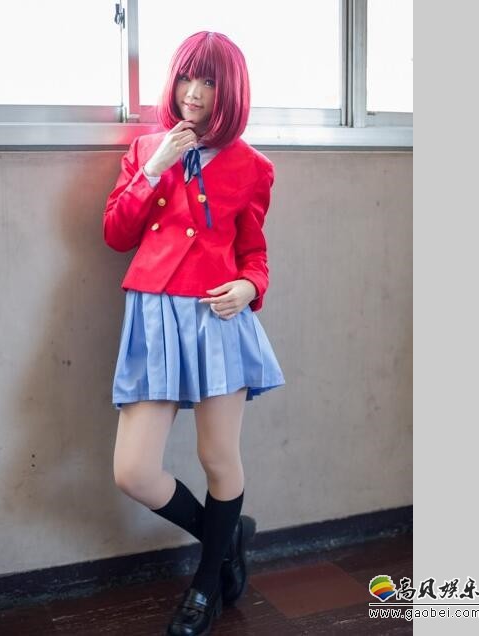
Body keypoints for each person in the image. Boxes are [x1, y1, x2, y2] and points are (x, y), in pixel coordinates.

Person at [103, 31, 286, 636]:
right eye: (186, 76)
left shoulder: (253, 167)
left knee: (218, 457)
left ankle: (206, 586)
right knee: (133, 471)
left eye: (209, 81)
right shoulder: (145, 149)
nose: (194, 92)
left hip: (215, 320)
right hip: (153, 317)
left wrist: (250, 287)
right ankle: (227, 537)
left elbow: (254, 253)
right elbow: (116, 233)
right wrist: (153, 168)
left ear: (229, 90)